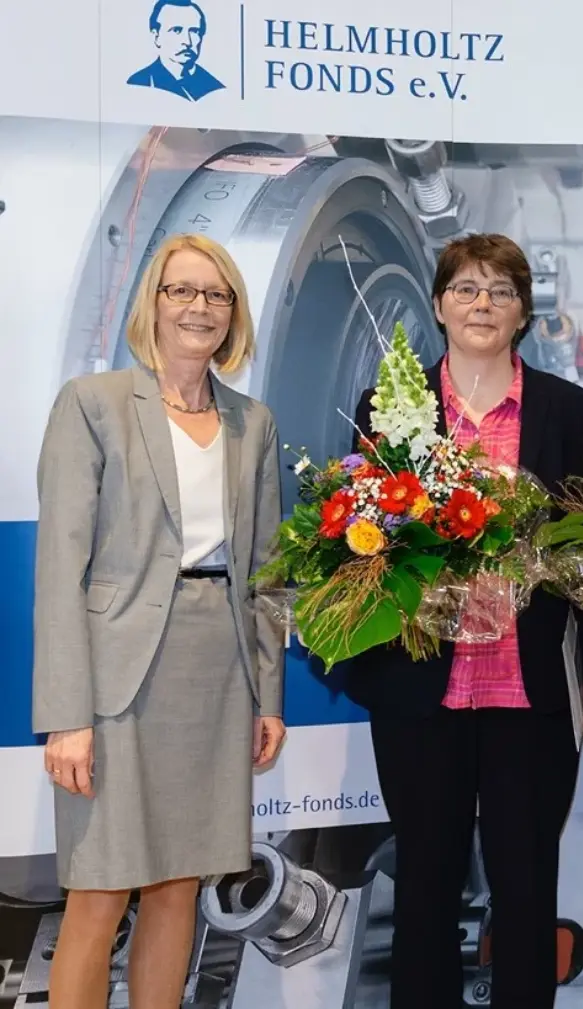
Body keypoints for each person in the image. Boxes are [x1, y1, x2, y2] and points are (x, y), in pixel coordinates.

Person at [344, 233, 583, 1009]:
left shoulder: (569, 409)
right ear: (438, 305)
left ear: (524, 313)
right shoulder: (390, 408)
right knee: (426, 890)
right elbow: (361, 542)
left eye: (501, 291)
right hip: (419, 687)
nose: (482, 304)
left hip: (529, 690)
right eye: (466, 288)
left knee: (528, 891)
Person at [32, 232, 287, 1008]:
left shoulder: (254, 421)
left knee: (180, 883)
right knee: (100, 890)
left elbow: (268, 572)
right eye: (182, 290)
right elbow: (59, 571)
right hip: (116, 676)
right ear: (153, 302)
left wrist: (268, 696)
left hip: (217, 676)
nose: (199, 307)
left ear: (233, 314)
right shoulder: (94, 403)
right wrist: (68, 717)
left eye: (216, 295)